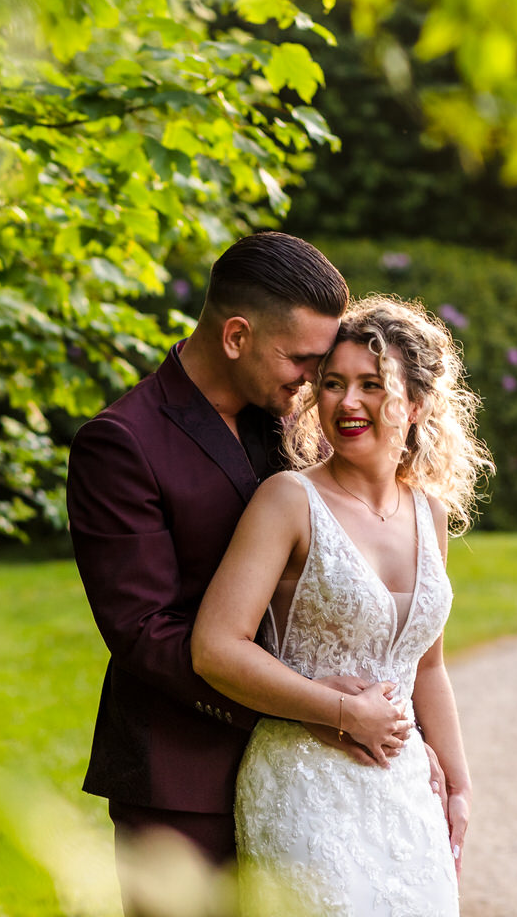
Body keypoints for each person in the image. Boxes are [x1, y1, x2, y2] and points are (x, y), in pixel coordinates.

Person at [67, 232, 408, 909]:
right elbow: (144, 631)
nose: (316, 384)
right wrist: (306, 704)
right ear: (235, 336)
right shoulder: (120, 443)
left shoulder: (283, 423)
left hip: (308, 784)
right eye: (303, 361)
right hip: (180, 778)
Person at [192, 295, 491, 914]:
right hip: (304, 783)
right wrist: (337, 710)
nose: (347, 402)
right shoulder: (288, 500)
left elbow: (426, 668)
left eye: (370, 385)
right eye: (332, 384)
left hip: (405, 788)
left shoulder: (429, 513)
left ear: (415, 405)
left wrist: (458, 785)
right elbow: (215, 647)